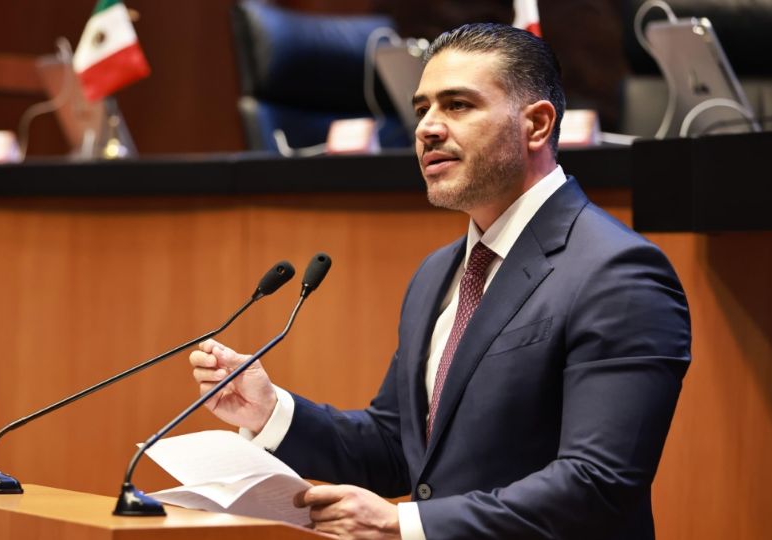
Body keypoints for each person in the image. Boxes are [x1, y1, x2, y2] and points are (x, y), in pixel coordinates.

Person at [190, 23, 690, 540]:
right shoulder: (438, 272)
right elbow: (398, 447)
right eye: (422, 107)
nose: (427, 127)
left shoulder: (617, 273)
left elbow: (599, 485)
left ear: (537, 125)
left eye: (457, 105)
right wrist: (273, 411)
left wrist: (405, 523)